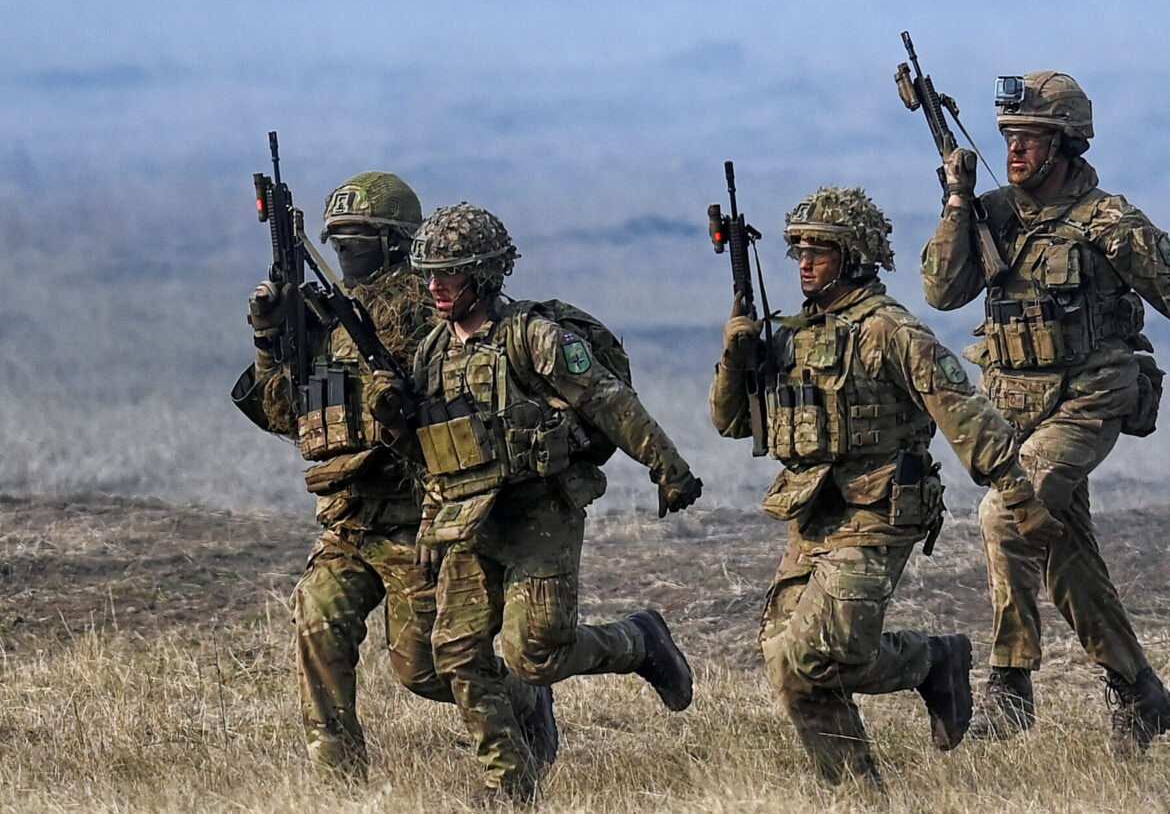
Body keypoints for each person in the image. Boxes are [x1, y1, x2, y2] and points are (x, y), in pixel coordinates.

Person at [711, 185, 1057, 787]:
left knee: (817, 653)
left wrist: (1017, 492)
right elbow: (732, 422)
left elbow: (962, 410)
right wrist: (735, 358)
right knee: (786, 661)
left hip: (879, 509)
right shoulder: (792, 335)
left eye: (820, 252)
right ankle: (860, 789)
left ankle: (931, 661)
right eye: (799, 252)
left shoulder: (888, 330)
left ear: (854, 257)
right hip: (814, 512)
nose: (805, 264)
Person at [231, 173, 554, 779]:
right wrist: (271, 340)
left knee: (427, 669)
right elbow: (283, 414)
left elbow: (452, 408)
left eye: (358, 241)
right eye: (337, 242)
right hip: (349, 517)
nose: (345, 254)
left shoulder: (427, 315)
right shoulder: (327, 316)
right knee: (317, 619)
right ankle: (339, 778)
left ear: (395, 243)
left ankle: (527, 697)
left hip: (414, 516)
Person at [396, 201, 703, 803]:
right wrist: (432, 523)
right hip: (470, 521)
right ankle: (508, 783)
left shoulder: (534, 338)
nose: (435, 287)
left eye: (449, 274)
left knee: (535, 656)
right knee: (455, 652)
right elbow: (438, 451)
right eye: (429, 274)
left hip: (539, 511)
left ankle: (640, 641)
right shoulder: (432, 352)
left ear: (484, 274)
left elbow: (612, 404)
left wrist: (668, 469)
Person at [921, 70, 1170, 755]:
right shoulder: (993, 214)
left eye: (1030, 138)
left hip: (1092, 397)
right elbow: (942, 291)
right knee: (1064, 551)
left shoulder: (1109, 222)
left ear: (1064, 145)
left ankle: (1010, 684)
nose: (1015, 150)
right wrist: (956, 201)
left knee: (1008, 511)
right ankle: (1139, 691)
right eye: (1009, 138)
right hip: (1017, 410)